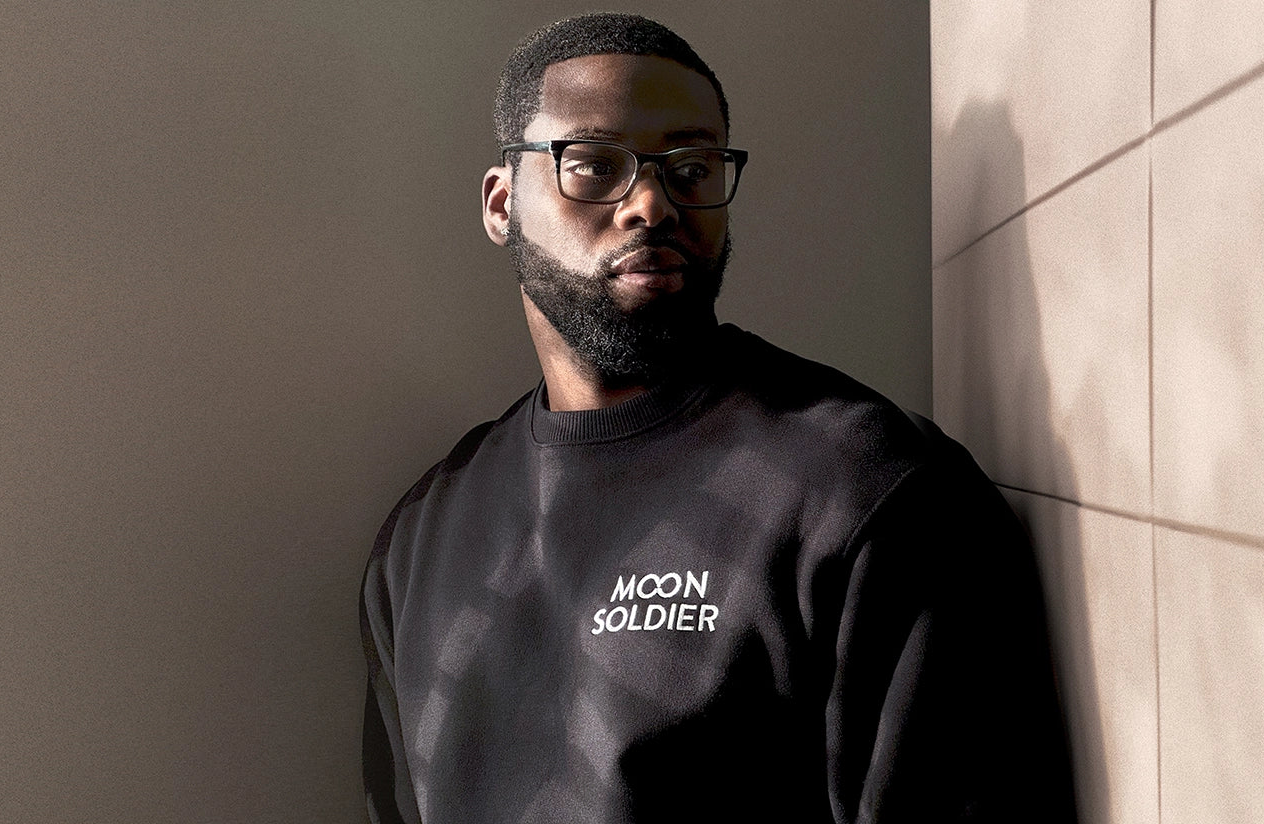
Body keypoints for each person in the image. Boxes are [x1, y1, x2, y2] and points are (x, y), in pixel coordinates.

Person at [360, 13, 1077, 824]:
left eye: (691, 167)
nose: (650, 204)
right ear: (501, 205)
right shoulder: (421, 541)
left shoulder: (867, 493)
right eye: (594, 164)